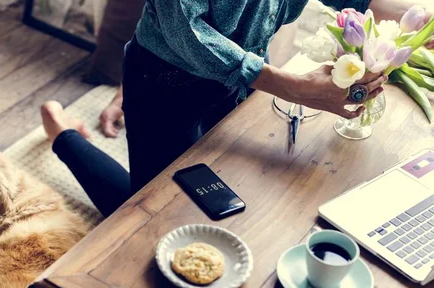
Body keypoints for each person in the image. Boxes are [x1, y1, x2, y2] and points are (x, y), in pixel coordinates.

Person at [45, 0, 433, 218]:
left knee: (227, 198)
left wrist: (417, 21)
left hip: (241, 82)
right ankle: (63, 134)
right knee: (151, 213)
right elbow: (185, 31)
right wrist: (294, 87)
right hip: (165, 81)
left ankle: (121, 103)